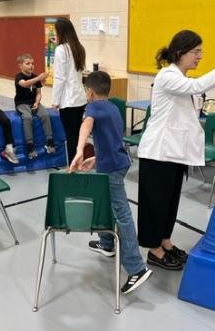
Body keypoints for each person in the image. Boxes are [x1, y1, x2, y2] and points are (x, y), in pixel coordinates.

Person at [137, 30, 215, 270]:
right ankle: (153, 250)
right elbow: (197, 85)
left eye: (201, 52)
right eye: (196, 52)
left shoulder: (182, 78)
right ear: (180, 52)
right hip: (158, 152)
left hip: (175, 152)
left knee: (169, 202)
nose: (200, 56)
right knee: (155, 203)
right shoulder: (167, 76)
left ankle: (165, 241)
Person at [69, 71, 152, 294]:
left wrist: (78, 150)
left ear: (90, 92)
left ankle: (136, 268)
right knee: (101, 200)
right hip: (118, 161)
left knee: (121, 213)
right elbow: (112, 140)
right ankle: (107, 243)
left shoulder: (93, 107)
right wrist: (95, 158)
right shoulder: (114, 107)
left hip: (112, 168)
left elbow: (86, 124)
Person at [51, 17, 87, 164]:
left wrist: (55, 101)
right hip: (80, 98)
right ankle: (78, 163)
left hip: (68, 100)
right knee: (78, 135)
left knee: (71, 136)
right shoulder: (79, 47)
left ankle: (73, 167)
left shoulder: (61, 50)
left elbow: (60, 78)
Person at [14, 54, 55, 159]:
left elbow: (38, 93)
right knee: (27, 118)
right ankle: (30, 145)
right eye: (28, 64)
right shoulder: (18, 76)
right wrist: (38, 78)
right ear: (20, 66)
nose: (31, 65)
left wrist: (37, 102)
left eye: (32, 63)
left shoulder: (35, 77)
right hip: (22, 103)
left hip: (33, 102)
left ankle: (49, 141)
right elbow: (25, 84)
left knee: (45, 114)